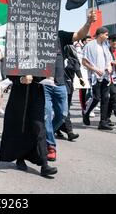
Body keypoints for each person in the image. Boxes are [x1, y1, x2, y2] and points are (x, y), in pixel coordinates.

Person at [43, 11, 98, 161]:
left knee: (61, 115)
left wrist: (88, 23)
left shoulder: (60, 35)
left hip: (60, 83)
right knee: (47, 114)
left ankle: (43, 135)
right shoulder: (35, 37)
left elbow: (79, 35)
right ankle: (50, 145)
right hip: (43, 84)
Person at [0, 75, 58, 177]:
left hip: (36, 92)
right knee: (20, 124)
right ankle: (20, 157)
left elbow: (48, 64)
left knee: (39, 126)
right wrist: (20, 79)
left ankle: (44, 164)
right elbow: (10, 67)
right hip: (19, 94)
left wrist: (48, 75)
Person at [82, 27, 113, 130]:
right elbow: (84, 62)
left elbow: (109, 59)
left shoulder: (105, 45)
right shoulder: (89, 45)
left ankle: (103, 122)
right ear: (100, 34)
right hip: (95, 76)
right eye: (106, 35)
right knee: (96, 98)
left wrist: (109, 66)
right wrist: (95, 69)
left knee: (106, 98)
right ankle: (86, 113)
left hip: (105, 75)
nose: (107, 37)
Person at [56, 44, 83, 140]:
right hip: (57, 86)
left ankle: (62, 128)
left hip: (68, 87)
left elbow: (78, 71)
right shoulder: (57, 59)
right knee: (61, 110)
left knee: (65, 110)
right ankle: (68, 131)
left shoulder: (73, 60)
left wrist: (81, 79)